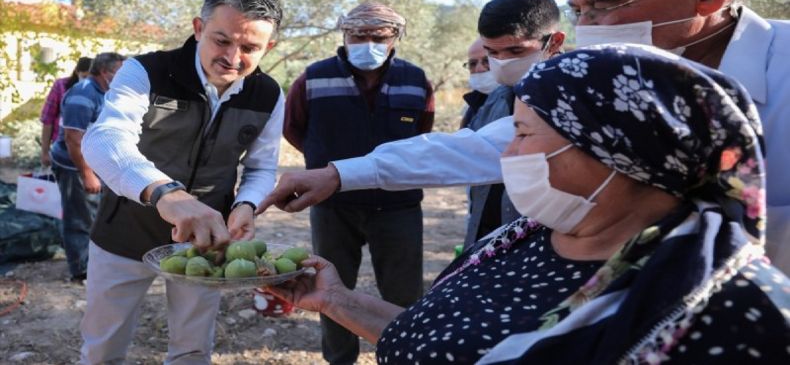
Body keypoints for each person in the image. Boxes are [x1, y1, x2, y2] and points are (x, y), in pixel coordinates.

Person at [259, 0, 790, 275]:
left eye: (606, 7)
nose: (588, 29)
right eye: (580, 10)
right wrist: (339, 174)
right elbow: (487, 146)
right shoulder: (598, 75)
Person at [269, 45, 790, 363]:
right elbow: (441, 344)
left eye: (519, 133)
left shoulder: (738, 316)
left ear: (619, 152)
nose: (507, 154)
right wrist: (336, 300)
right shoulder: (522, 240)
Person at [81, 0, 284, 364]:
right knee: (103, 346)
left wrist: (247, 205)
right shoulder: (147, 71)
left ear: (268, 47)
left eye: (250, 48)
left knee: (193, 349)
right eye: (221, 40)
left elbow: (261, 167)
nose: (232, 57)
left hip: (207, 241)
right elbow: (104, 140)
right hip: (123, 232)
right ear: (198, 28)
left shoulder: (269, 95)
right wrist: (166, 194)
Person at [282, 1, 434, 365]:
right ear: (344, 35)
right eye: (358, 35)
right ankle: (340, 359)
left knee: (404, 294)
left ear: (395, 37)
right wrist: (326, 163)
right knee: (330, 290)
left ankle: (406, 356)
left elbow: (422, 132)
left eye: (378, 36)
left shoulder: (415, 80)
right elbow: (293, 128)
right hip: (334, 206)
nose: (367, 43)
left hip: (398, 206)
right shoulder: (314, 78)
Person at [462, 0, 564, 249]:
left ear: (553, 42)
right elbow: (469, 153)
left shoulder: (574, 97)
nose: (502, 62)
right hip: (487, 239)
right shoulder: (495, 97)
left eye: (515, 50)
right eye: (492, 53)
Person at [49, 53, 124, 282]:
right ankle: (81, 270)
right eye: (118, 72)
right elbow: (73, 138)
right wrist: (87, 174)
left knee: (94, 216)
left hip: (94, 164)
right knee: (79, 218)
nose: (122, 77)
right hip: (74, 166)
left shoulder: (105, 93)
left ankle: (93, 265)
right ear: (104, 72)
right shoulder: (83, 94)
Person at [40, 56, 92, 167]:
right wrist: (45, 152)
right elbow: (47, 119)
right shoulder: (61, 86)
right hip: (61, 148)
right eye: (84, 76)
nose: (87, 81)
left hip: (88, 151)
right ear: (77, 72)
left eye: (91, 78)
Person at [460, 38, 494, 129]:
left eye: (487, 61)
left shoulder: (523, 101)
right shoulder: (472, 103)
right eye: (473, 63)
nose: (479, 69)